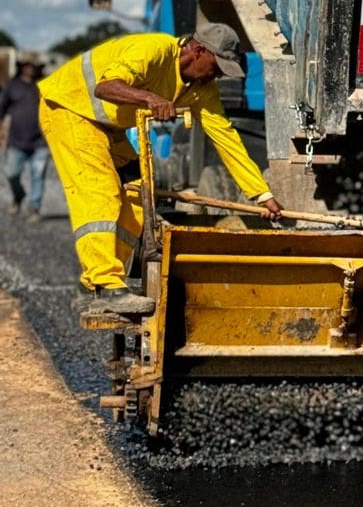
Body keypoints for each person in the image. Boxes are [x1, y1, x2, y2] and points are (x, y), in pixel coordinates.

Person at [38, 24, 283, 316]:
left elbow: (227, 140)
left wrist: (261, 194)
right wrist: (150, 98)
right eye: (217, 67)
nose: (217, 75)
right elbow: (105, 86)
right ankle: (106, 285)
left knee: (140, 194)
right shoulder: (153, 50)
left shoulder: (200, 90)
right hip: (70, 110)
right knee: (99, 192)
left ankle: (95, 285)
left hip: (107, 127)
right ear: (197, 51)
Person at [1, 54, 49, 222]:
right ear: (22, 66)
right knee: (12, 174)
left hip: (41, 141)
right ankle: (18, 196)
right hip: (16, 140)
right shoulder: (12, 86)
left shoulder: (44, 85)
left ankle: (34, 208)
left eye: (34, 66)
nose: (31, 68)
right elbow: (2, 108)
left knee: (38, 175)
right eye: (28, 65)